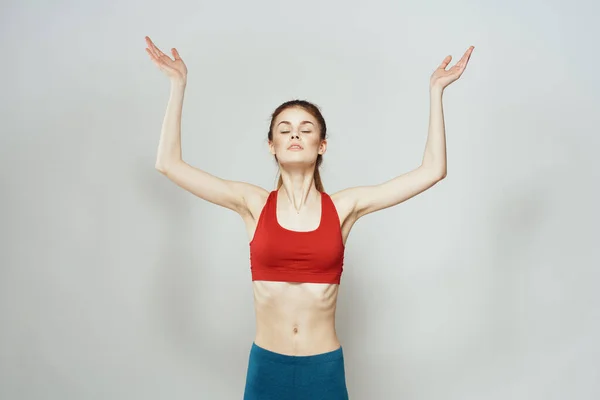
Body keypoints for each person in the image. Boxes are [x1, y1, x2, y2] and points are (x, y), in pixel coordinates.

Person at [144, 36, 474, 399]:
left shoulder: (344, 207)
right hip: (267, 368)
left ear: (322, 145)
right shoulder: (252, 204)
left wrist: (436, 92)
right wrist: (178, 85)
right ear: (272, 145)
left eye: (306, 129)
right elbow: (168, 164)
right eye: (284, 130)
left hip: (324, 370)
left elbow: (432, 170)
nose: (295, 134)